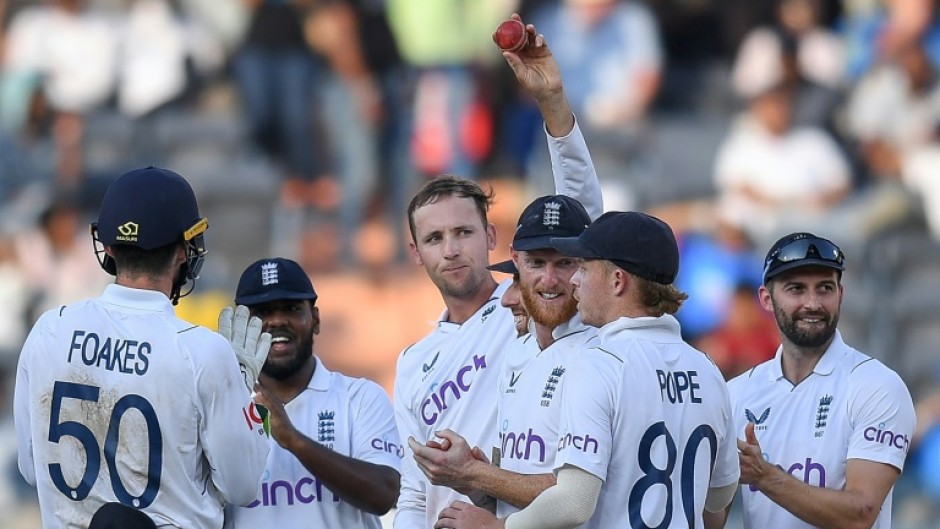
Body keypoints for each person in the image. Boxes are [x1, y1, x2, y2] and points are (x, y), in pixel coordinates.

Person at [392, 17, 603, 529]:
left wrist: (552, 102)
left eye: (464, 233)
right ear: (416, 253)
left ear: (491, 239)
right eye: (435, 239)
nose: (451, 250)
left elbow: (583, 217)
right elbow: (415, 494)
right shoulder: (413, 362)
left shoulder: (536, 302)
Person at [435, 211, 740, 529]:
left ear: (617, 280)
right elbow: (718, 497)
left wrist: (496, 527)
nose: (574, 281)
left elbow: (574, 502)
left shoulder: (599, 363)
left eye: (583, 267)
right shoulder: (707, 369)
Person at [13, 166, 270, 529]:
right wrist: (243, 392)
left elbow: (30, 467)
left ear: (109, 247)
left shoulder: (48, 330)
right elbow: (243, 486)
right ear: (183, 251)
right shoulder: (203, 352)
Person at [706, 232, 916, 529]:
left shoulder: (877, 386)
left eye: (825, 288)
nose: (813, 303)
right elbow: (712, 520)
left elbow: (861, 513)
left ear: (840, 295)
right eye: (796, 289)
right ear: (766, 298)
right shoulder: (736, 393)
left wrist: (765, 476)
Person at [409, 195, 600, 518]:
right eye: (536, 263)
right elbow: (507, 490)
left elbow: (578, 499)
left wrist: (473, 474)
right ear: (516, 260)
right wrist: (473, 485)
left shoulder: (599, 358)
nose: (549, 279)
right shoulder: (518, 354)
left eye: (564, 263)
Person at [222, 257, 401, 528]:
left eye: (291, 308)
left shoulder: (360, 398)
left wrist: (294, 440)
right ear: (241, 325)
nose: (277, 321)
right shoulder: (221, 408)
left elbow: (384, 494)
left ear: (315, 320)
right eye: (262, 312)